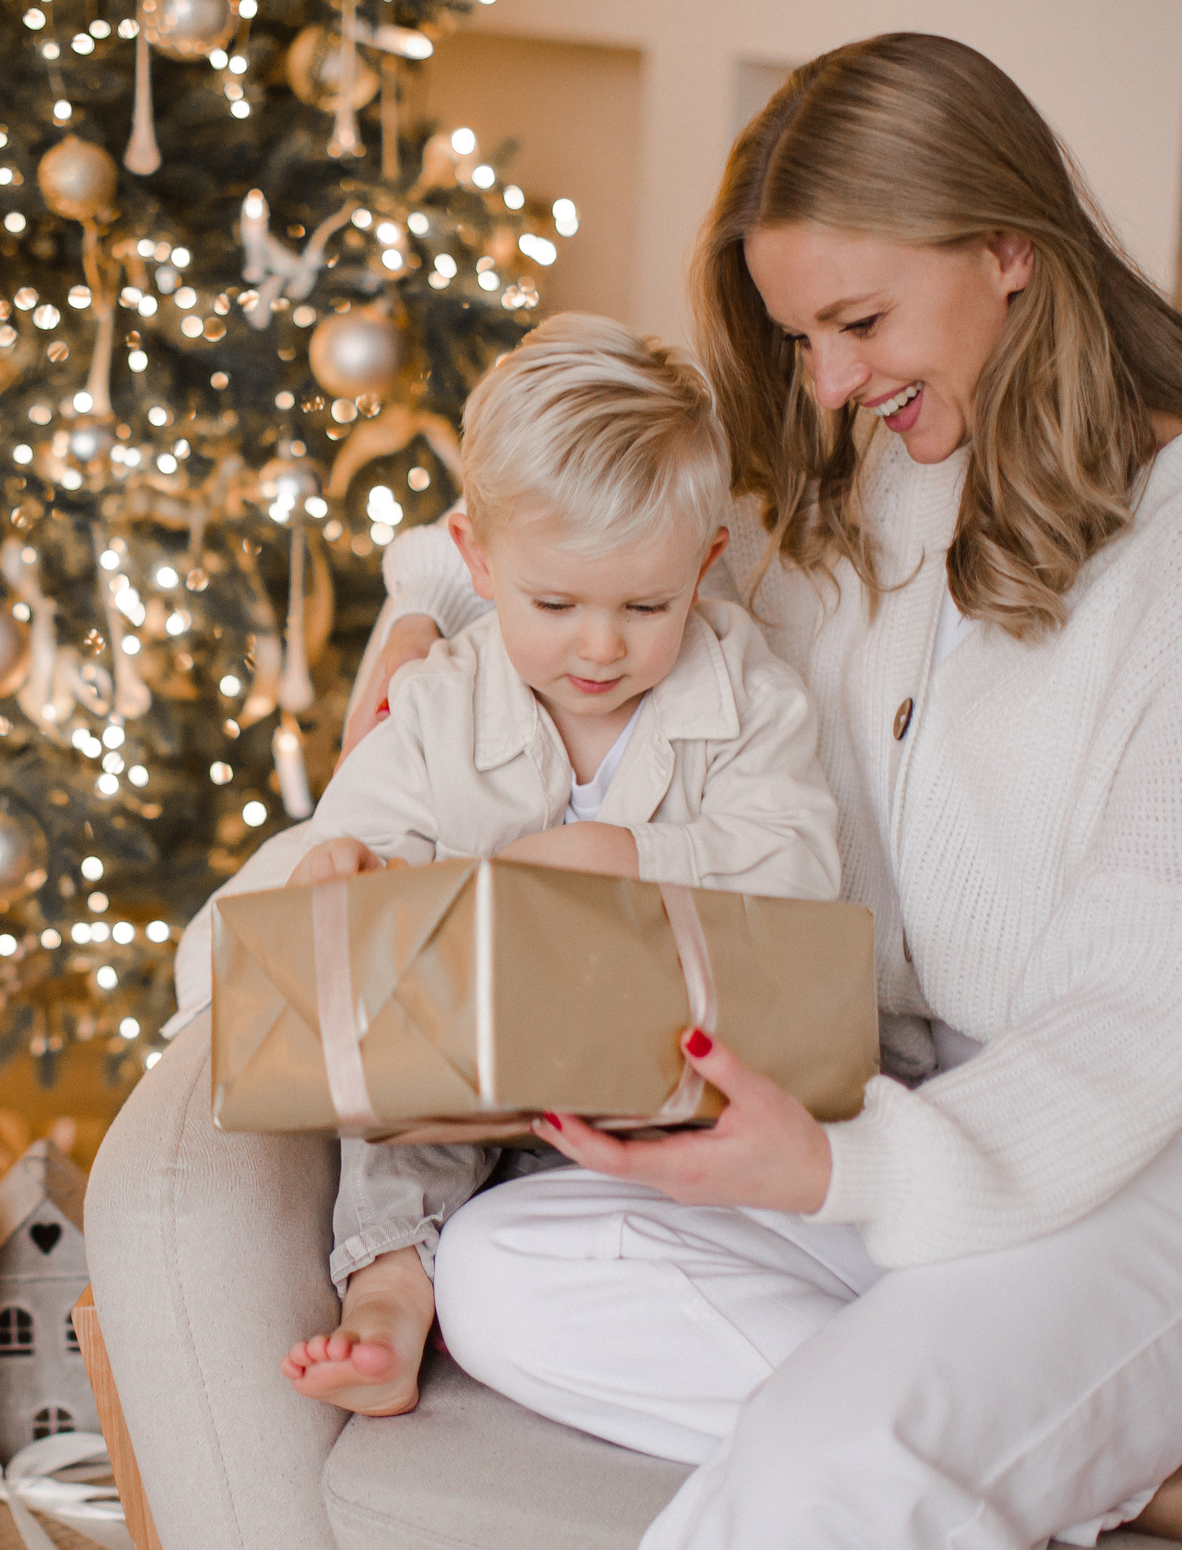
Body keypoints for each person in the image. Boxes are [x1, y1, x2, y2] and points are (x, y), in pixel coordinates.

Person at [328, 33, 1182, 1549]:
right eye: (800, 338)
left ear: (1008, 247)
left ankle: (979, 1431)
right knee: (506, 1267)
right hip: (932, 1111)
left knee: (824, 1459)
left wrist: (844, 1164)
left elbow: (1155, 1001)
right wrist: (420, 606)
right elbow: (589, 524)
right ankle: (1145, 1467)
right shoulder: (867, 488)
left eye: (858, 319)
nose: (834, 381)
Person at [261, 315, 841, 1418]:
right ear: (477, 563)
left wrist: (619, 855)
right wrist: (345, 866)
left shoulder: (747, 695)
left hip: (672, 1084)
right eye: (556, 604)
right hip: (483, 1087)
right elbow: (360, 849)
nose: (601, 647)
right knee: (393, 1133)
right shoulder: (439, 702)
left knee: (748, 1138)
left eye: (645, 606)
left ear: (706, 565)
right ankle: (388, 1294)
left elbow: (801, 867)